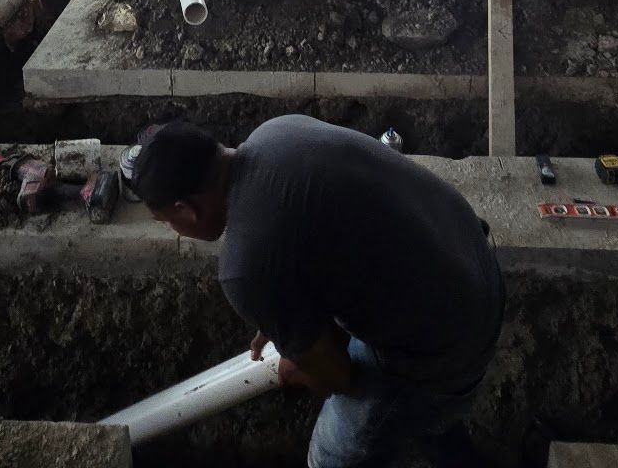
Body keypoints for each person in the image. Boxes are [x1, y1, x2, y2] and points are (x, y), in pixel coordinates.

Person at [131, 115, 504, 467]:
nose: (174, 229)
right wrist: (287, 315)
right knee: (428, 416)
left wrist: (299, 365)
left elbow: (337, 378)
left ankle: (426, 415)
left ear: (187, 209)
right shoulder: (276, 134)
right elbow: (334, 241)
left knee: (330, 458)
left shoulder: (244, 265)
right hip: (474, 267)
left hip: (443, 348)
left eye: (168, 221)